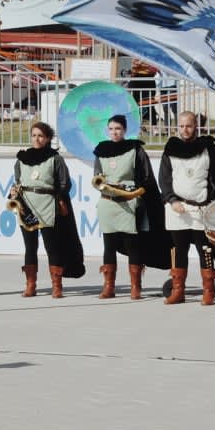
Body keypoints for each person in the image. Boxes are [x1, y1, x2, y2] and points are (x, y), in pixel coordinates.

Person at [158, 111, 215, 305]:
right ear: (177, 127)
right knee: (178, 250)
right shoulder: (170, 149)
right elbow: (164, 180)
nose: (185, 129)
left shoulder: (208, 148)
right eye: (181, 126)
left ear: (196, 127)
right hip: (177, 209)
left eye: (189, 126)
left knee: (205, 250)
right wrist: (172, 200)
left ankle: (209, 290)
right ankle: (178, 290)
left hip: (201, 209)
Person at [10, 120, 83, 299]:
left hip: (47, 206)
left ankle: (57, 286)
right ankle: (30, 285)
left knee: (52, 247)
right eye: (34, 135)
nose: (37, 139)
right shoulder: (22, 159)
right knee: (30, 247)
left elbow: (65, 183)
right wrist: (14, 190)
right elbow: (18, 180)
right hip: (26, 206)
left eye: (41, 136)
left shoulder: (55, 159)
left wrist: (58, 198)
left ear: (48, 138)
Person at [92, 114, 159, 299]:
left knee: (132, 245)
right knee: (109, 245)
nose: (115, 132)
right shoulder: (101, 151)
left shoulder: (135, 149)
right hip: (108, 202)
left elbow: (147, 176)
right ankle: (108, 286)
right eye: (111, 129)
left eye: (118, 129)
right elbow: (97, 174)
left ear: (125, 130)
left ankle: (135, 286)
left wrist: (139, 194)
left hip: (129, 201)